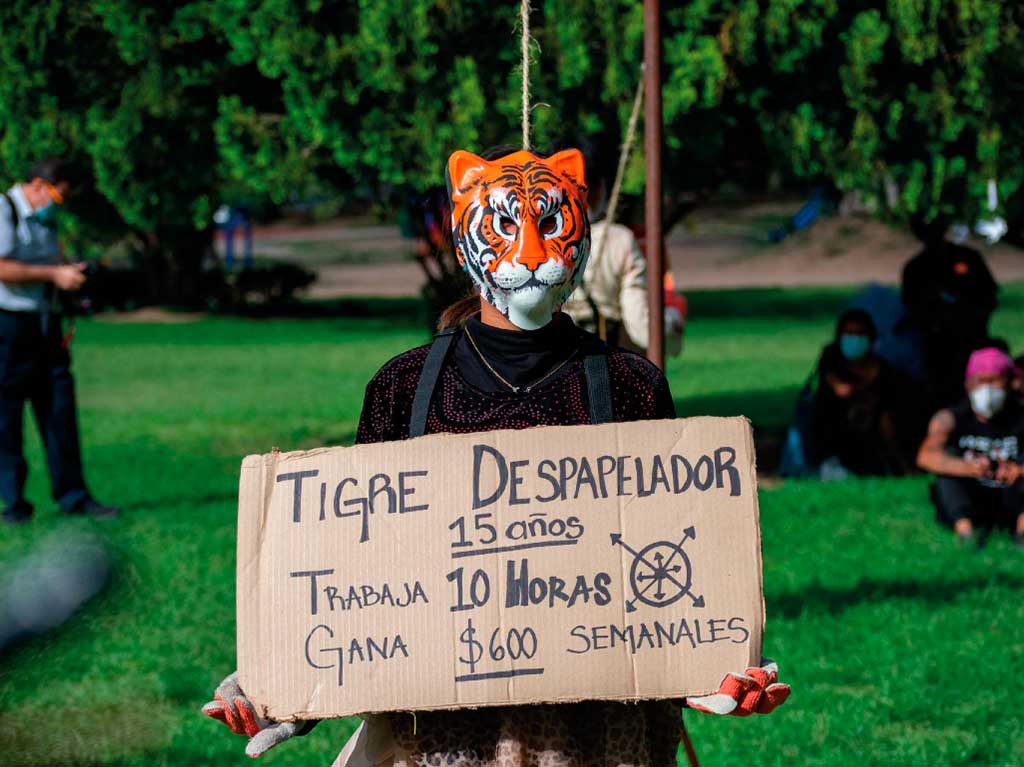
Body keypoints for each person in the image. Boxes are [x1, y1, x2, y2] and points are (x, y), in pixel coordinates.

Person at [203, 147, 790, 763]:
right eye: (506, 226)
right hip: (439, 745)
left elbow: (673, 567)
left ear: (582, 237)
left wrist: (715, 669)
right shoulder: (402, 387)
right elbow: (355, 576)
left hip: (599, 743)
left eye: (552, 224)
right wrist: (283, 686)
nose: (532, 252)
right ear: (465, 243)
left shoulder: (630, 383)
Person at [0, 158, 118, 523]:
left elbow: (51, 264)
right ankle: (13, 504)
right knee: (6, 418)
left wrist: (72, 272)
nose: (57, 204)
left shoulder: (44, 220)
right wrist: (54, 274)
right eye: (56, 196)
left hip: (46, 326)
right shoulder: (4, 210)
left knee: (59, 410)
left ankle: (74, 496)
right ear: (37, 185)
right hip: (8, 327)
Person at [917, 347, 1024, 547]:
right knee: (945, 473)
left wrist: (1019, 471)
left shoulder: (1020, 417)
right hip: (972, 495)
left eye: (994, 380)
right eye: (980, 381)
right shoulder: (951, 418)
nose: (987, 389)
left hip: (1013, 495)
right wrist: (968, 468)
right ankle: (967, 535)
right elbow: (925, 456)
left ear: (1009, 383)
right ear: (968, 385)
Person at [808, 308, 921, 477]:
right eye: (849, 333)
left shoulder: (884, 370)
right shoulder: (831, 359)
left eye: (860, 334)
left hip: (874, 440)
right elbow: (841, 391)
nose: (854, 339)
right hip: (837, 437)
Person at [900, 241, 998, 410]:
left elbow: (989, 297)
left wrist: (969, 318)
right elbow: (910, 307)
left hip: (970, 342)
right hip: (934, 348)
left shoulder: (968, 257)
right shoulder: (916, 266)